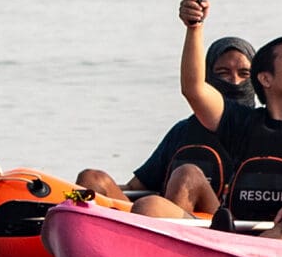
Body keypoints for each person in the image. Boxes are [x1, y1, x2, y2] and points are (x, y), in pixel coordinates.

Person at [131, 0, 282, 244]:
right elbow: (194, 89)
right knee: (149, 206)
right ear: (265, 79)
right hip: (235, 240)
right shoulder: (241, 123)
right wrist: (195, 27)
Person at [76, 36, 257, 201]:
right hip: (159, 217)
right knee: (91, 179)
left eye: (244, 74)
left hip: (222, 224)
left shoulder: (260, 127)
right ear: (207, 77)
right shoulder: (184, 131)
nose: (234, 82)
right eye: (223, 73)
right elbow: (136, 187)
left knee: (187, 176)